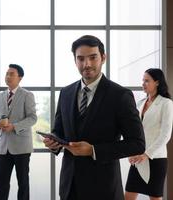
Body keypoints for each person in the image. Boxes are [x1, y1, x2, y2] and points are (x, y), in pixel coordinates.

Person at [43, 35, 146, 200]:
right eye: (81, 58)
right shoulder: (66, 93)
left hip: (103, 188)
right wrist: (53, 143)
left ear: (103, 58)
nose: (87, 64)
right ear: (75, 61)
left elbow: (137, 144)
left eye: (92, 57)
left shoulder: (120, 95)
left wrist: (93, 150)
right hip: (69, 187)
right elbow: (59, 130)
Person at [125, 68, 173, 200]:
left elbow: (165, 134)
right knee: (128, 195)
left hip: (155, 158)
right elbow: (133, 131)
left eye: (147, 80)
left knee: (155, 197)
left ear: (157, 82)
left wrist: (147, 154)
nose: (143, 83)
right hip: (138, 158)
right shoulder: (140, 103)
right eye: (142, 80)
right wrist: (131, 152)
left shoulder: (166, 103)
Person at [0, 64, 37, 200]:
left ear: (20, 78)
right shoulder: (0, 96)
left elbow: (32, 118)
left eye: (11, 74)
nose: (8, 76)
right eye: (7, 74)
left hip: (22, 146)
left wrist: (14, 126)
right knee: (1, 183)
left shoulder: (27, 95)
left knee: (23, 183)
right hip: (4, 146)